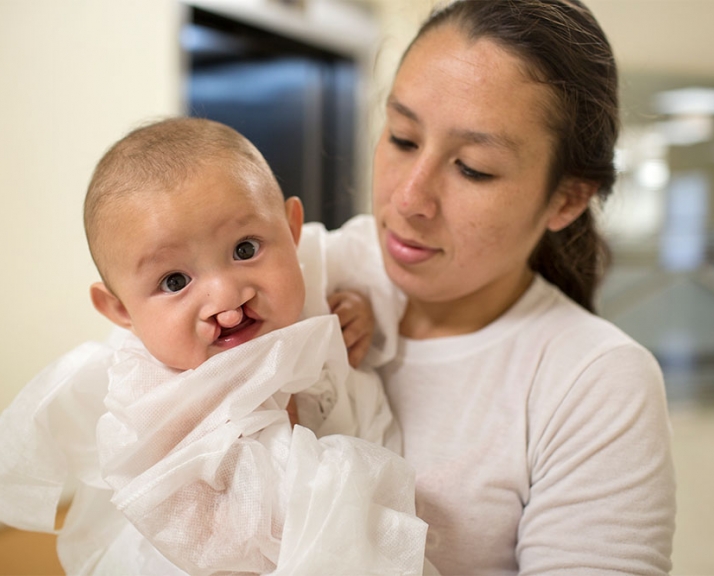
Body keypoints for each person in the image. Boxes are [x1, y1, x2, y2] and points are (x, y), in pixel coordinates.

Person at [323, 0, 676, 573]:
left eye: (473, 168)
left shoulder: (591, 378)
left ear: (565, 199)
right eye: (403, 138)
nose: (409, 199)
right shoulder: (312, 269)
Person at [0, 117, 430, 575]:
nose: (226, 298)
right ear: (121, 311)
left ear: (292, 230)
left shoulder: (315, 281)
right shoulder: (153, 405)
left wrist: (358, 310)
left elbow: (366, 265)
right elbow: (215, 544)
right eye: (175, 281)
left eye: (245, 249)